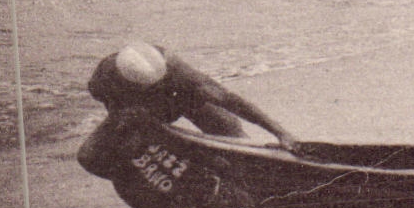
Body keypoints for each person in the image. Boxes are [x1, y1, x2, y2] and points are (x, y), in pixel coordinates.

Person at [77, 44, 300, 178]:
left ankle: (251, 169)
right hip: (138, 110)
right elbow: (113, 112)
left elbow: (229, 100)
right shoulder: (104, 79)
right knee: (97, 155)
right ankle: (148, 198)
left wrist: (280, 132)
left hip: (180, 98)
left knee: (228, 127)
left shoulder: (178, 73)